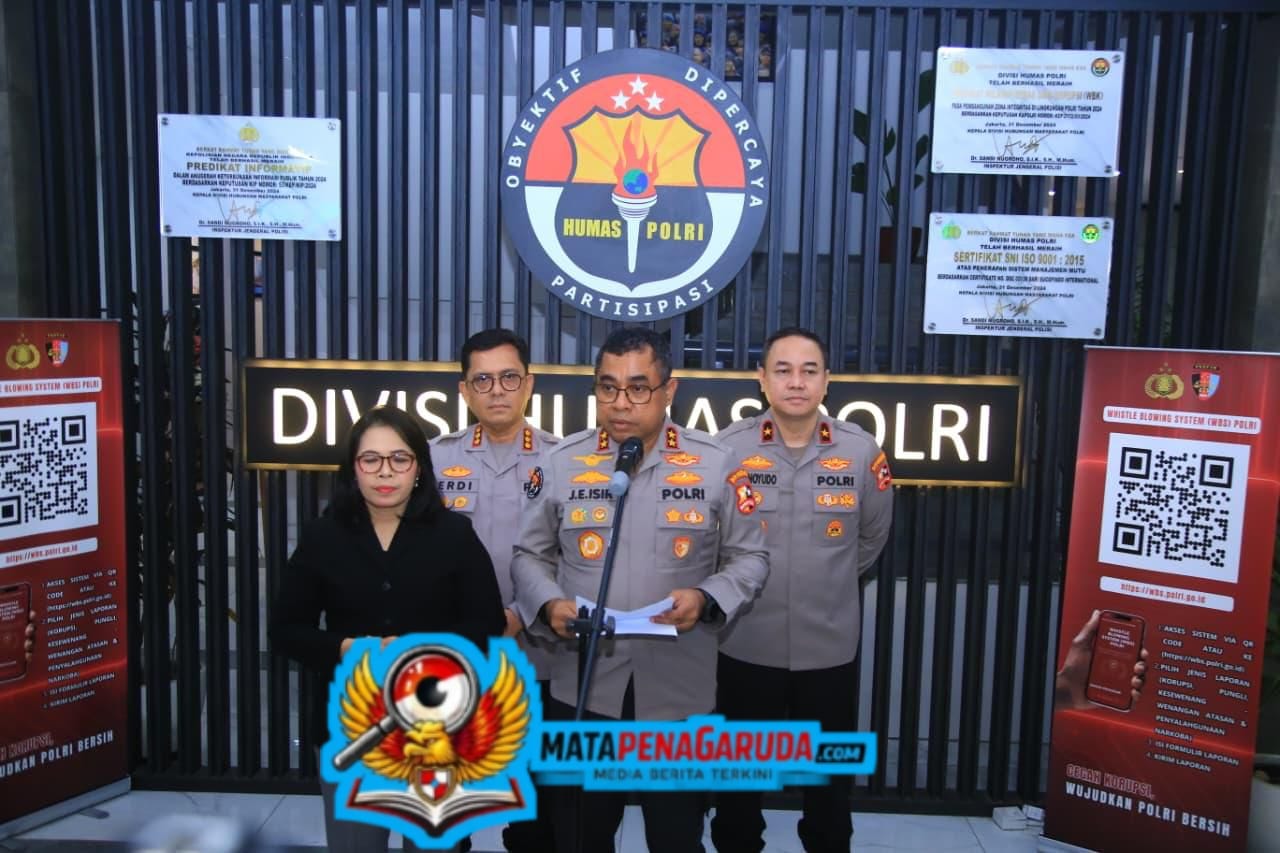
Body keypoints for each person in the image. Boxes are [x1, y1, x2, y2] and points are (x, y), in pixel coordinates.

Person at [512, 326, 769, 853]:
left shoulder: (716, 462)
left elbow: (751, 556)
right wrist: (548, 603)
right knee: (580, 837)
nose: (620, 403)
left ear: (668, 391)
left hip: (677, 690)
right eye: (607, 387)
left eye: (637, 388)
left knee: (675, 838)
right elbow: (528, 554)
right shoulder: (562, 462)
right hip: (585, 688)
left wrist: (707, 598)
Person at [269, 406, 505, 853]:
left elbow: (486, 624)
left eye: (399, 458)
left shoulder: (454, 534)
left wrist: (421, 650)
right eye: (371, 459)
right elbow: (285, 630)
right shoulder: (323, 536)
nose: (385, 471)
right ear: (352, 468)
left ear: (419, 468)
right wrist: (345, 648)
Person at [711, 327, 894, 853]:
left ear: (826, 380)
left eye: (809, 371)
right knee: (739, 782)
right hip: (746, 641)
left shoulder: (861, 451)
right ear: (762, 379)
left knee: (828, 784)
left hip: (829, 646)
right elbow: (712, 538)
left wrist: (823, 580)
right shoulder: (728, 449)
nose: (797, 382)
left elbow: (872, 537)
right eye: (784, 370)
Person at [430, 328, 559, 853]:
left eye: (509, 377)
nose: (497, 390)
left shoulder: (562, 460)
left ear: (528, 384)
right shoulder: (434, 460)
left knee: (533, 808)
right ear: (464, 391)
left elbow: (577, 553)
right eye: (482, 380)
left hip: (535, 649)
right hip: (455, 652)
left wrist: (521, 612)